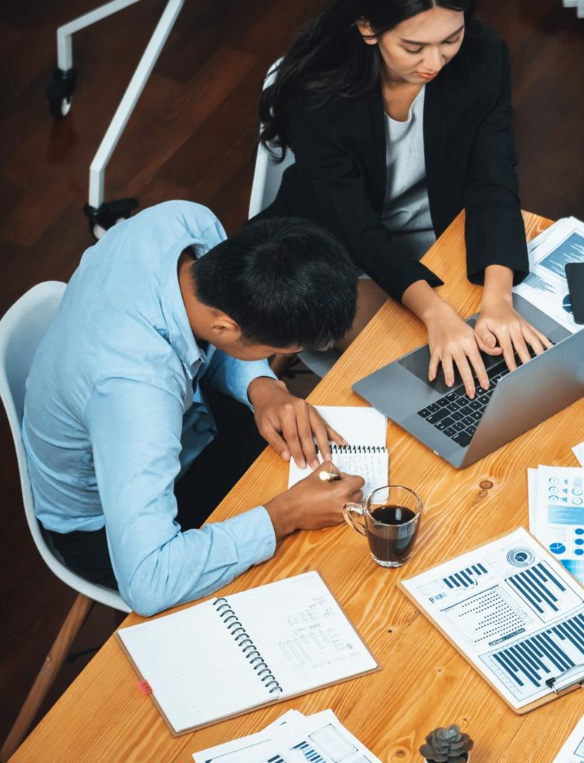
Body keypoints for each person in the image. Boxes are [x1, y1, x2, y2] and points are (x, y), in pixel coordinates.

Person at [22, 202, 368, 616]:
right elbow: (148, 580)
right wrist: (285, 515)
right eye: (274, 352)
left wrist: (263, 386)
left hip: (185, 423)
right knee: (317, 577)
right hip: (104, 529)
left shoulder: (185, 223)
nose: (273, 359)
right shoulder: (136, 391)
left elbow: (218, 323)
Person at [257, 0, 549, 399]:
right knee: (432, 369)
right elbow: (357, 228)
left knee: (496, 343)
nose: (435, 61)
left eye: (450, 39)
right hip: (335, 244)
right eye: (414, 48)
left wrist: (498, 298)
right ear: (369, 28)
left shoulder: (483, 56)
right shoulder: (316, 92)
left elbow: (493, 179)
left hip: (434, 232)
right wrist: (435, 313)